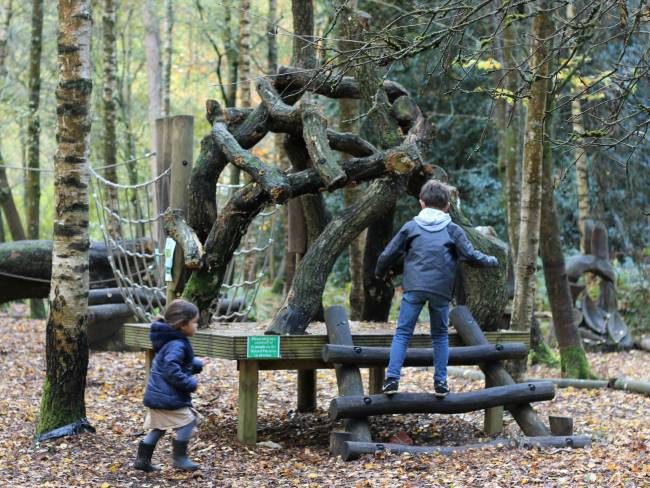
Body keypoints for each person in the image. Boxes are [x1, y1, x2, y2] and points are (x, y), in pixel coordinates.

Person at [375, 180, 499, 398]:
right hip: (441, 290)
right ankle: (440, 383)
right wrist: (491, 260)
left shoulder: (411, 226)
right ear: (447, 206)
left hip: (413, 287)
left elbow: (388, 254)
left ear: (422, 203)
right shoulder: (452, 229)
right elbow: (470, 255)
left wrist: (379, 273)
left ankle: (392, 380)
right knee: (440, 335)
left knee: (403, 333)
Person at [133, 299, 205, 472]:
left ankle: (142, 460)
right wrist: (189, 383)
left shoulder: (172, 340)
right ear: (182, 325)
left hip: (158, 394)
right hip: (167, 396)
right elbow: (171, 368)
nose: (196, 326)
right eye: (195, 322)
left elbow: (170, 361)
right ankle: (180, 457)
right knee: (189, 420)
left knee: (159, 428)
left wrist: (194, 364)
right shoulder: (178, 343)